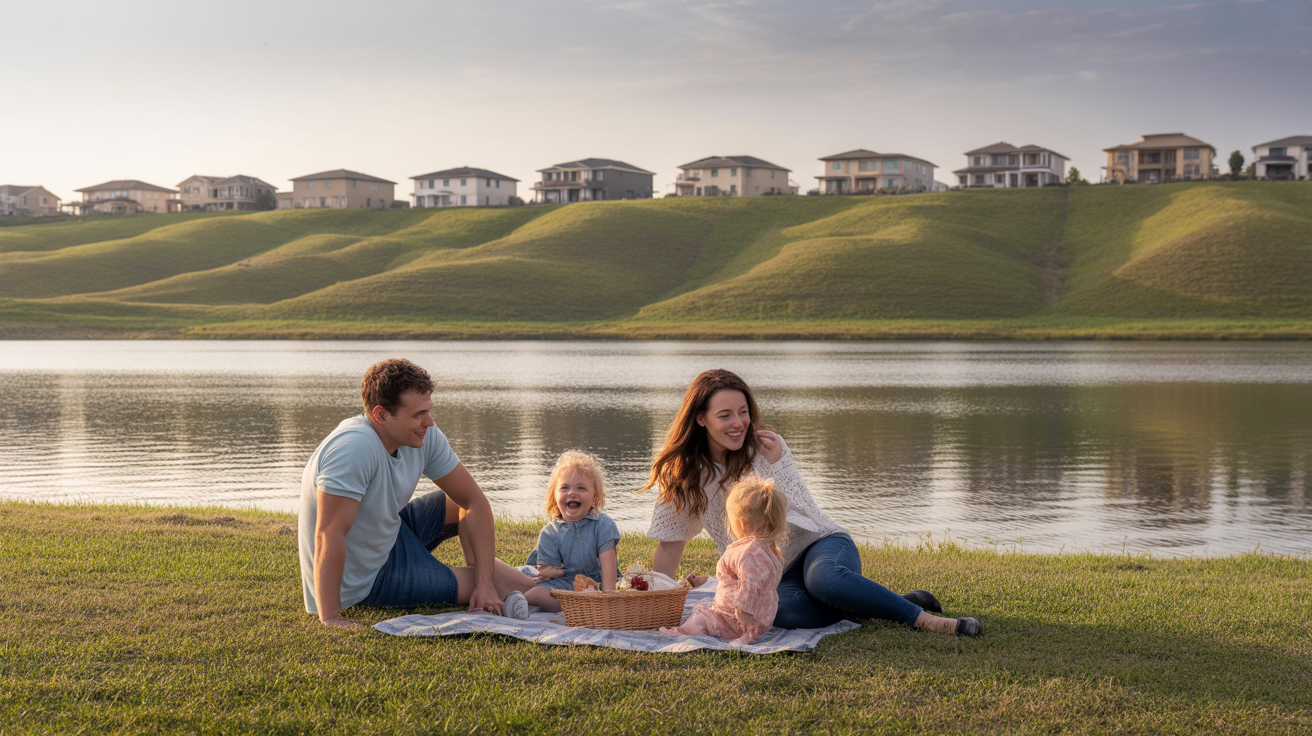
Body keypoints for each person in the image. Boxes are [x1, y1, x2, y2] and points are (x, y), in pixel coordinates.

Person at [643, 369, 982, 637]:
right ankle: (892, 602)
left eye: (744, 412)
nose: (738, 423)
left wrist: (777, 467)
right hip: (770, 574)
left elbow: (805, 510)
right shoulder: (683, 475)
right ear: (701, 419)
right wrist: (651, 602)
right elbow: (670, 544)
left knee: (825, 582)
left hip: (820, 544)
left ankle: (925, 620)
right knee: (780, 614)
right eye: (725, 415)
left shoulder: (765, 448)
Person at [297, 358, 534, 628]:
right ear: (381, 415)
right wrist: (330, 617)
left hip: (389, 532)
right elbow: (328, 533)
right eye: (418, 414)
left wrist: (484, 582)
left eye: (429, 410)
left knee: (464, 518)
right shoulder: (354, 449)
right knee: (495, 584)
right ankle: (546, 589)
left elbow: (473, 500)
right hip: (366, 579)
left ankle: (507, 581)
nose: (429, 422)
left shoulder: (422, 436)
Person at [659, 474, 787, 645]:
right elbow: (734, 579)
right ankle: (743, 631)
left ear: (742, 523)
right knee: (706, 607)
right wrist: (704, 580)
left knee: (702, 612)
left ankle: (681, 634)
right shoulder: (770, 550)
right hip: (762, 621)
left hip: (736, 619)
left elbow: (751, 583)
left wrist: (744, 613)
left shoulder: (749, 551)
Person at [503, 451, 620, 619]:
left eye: (581, 488)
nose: (572, 493)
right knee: (537, 593)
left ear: (594, 497)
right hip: (563, 584)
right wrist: (549, 573)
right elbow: (548, 573)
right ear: (554, 496)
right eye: (564, 488)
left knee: (586, 600)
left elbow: (609, 563)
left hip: (595, 585)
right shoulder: (550, 533)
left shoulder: (603, 524)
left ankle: (518, 600)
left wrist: (608, 598)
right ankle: (515, 603)